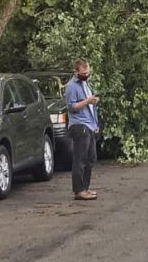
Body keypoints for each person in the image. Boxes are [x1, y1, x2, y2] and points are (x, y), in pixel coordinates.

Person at [64, 58, 100, 201]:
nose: (86, 75)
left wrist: (95, 123)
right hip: (79, 125)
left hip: (89, 124)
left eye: (88, 72)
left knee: (91, 157)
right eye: (84, 73)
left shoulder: (86, 84)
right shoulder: (71, 86)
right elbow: (71, 107)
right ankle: (78, 190)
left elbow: (91, 107)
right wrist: (88, 101)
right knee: (80, 158)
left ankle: (85, 187)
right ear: (76, 72)